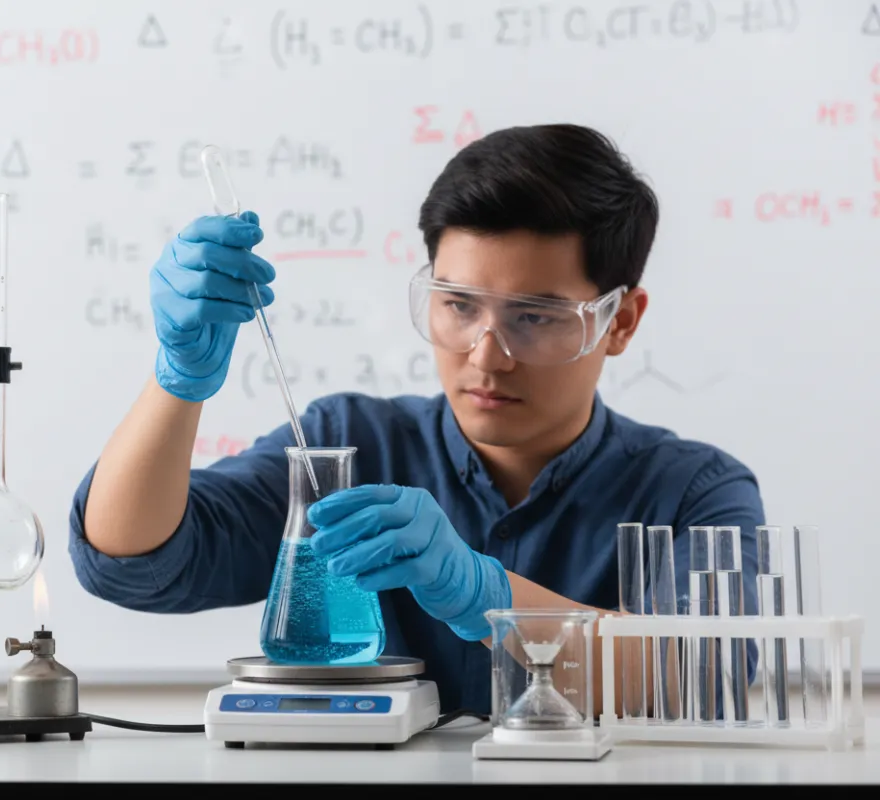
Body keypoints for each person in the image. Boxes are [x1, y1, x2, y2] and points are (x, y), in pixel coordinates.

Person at [68, 124, 762, 716]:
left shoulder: (694, 491)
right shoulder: (347, 445)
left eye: (536, 316)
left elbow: (710, 677)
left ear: (620, 321)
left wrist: (485, 595)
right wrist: (179, 381)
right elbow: (133, 562)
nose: (488, 356)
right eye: (458, 305)